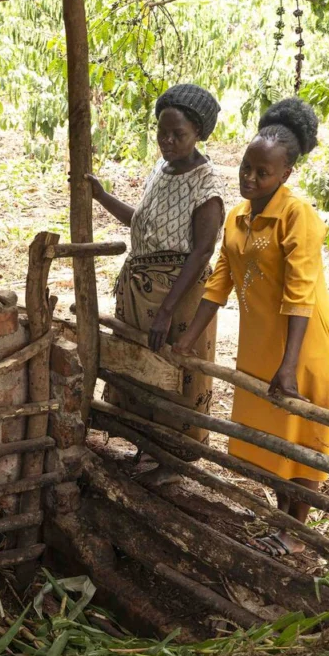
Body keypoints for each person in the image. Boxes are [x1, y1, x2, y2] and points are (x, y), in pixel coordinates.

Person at [172, 98, 329, 555]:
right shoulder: (237, 216)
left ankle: (292, 533)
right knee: (277, 446)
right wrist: (186, 341)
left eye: (263, 173)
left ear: (286, 175)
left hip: (306, 351)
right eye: (246, 168)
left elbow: (301, 294)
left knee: (301, 451)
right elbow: (219, 283)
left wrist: (289, 365)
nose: (250, 179)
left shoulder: (299, 217)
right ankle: (282, 524)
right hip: (263, 351)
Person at [86, 83, 226, 443]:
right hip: (141, 290)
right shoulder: (161, 169)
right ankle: (143, 446)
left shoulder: (206, 182)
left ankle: (176, 455)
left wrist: (166, 310)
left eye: (177, 134)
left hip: (178, 296)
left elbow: (202, 251)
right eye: (162, 133)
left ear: (198, 133)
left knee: (175, 374)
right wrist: (102, 197)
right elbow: (142, 222)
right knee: (138, 368)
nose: (167, 141)